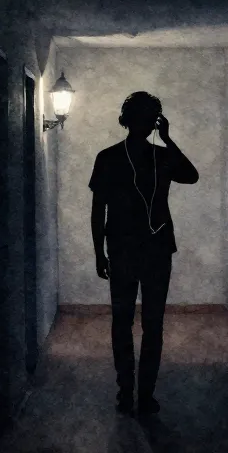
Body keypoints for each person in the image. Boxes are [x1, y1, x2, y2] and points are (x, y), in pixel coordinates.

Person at [89, 91, 199, 416]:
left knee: (129, 323)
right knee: (148, 324)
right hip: (141, 250)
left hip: (140, 249)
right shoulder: (117, 157)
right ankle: (139, 394)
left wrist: (99, 253)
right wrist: (168, 138)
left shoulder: (143, 157)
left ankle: (130, 393)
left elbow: (191, 176)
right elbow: (98, 209)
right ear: (153, 121)